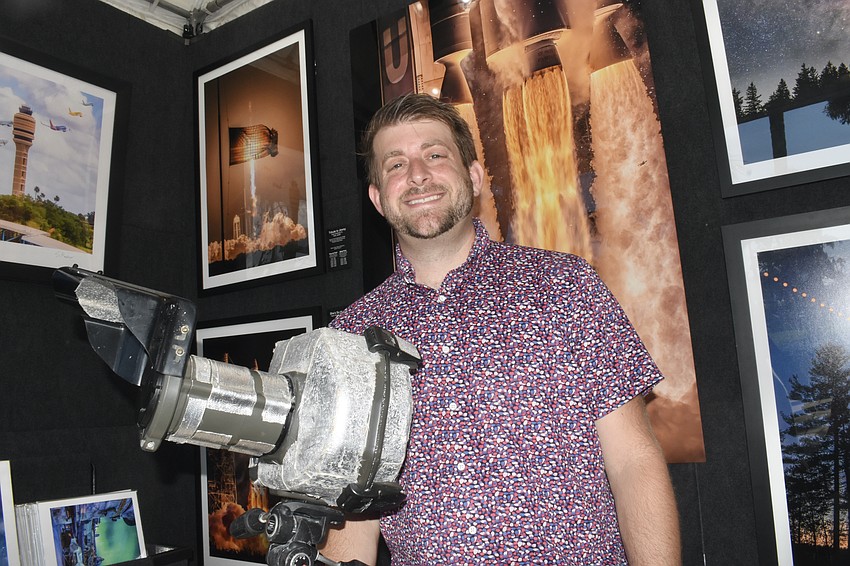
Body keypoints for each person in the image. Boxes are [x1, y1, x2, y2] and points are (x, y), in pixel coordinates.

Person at [323, 92, 681, 565]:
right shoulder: (351, 335)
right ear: (377, 197)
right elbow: (355, 506)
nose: (417, 174)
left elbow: (634, 460)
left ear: (473, 176)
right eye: (395, 165)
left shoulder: (565, 286)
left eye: (435, 155)